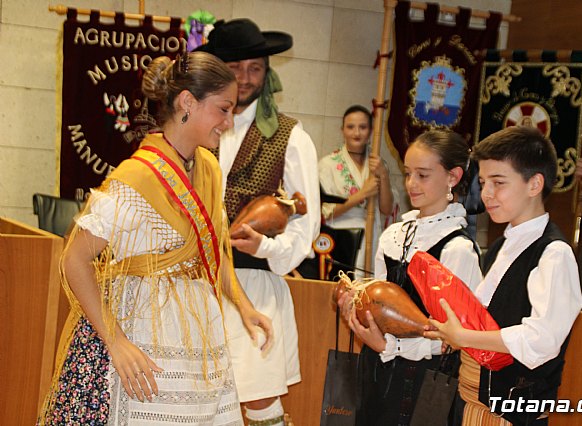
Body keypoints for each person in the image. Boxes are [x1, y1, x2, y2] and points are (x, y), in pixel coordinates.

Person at [37, 52, 274, 425]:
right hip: (142, 334)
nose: (229, 123)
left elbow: (213, 250)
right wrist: (115, 341)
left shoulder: (209, 169)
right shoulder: (137, 177)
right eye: (223, 109)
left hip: (199, 337)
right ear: (187, 103)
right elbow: (73, 259)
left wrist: (243, 306)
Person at [196, 19, 320, 425]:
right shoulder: (199, 127)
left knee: (259, 403)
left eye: (255, 68)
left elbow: (307, 224)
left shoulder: (291, 136)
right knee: (201, 399)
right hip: (199, 282)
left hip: (254, 282)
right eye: (234, 69)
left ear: (268, 73)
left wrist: (265, 248)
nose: (245, 79)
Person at [426, 126, 582, 425]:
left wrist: (464, 336)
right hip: (472, 398)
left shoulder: (554, 253)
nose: (486, 194)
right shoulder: (500, 246)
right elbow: (485, 314)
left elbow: (542, 339)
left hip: (513, 411)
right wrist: (453, 332)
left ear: (534, 184)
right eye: (483, 182)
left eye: (498, 183)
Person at [339, 130, 483, 425]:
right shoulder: (394, 234)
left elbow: (453, 339)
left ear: (453, 177)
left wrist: (391, 346)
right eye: (407, 173)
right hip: (377, 366)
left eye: (423, 174)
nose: (411, 184)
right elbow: (376, 300)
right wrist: (355, 306)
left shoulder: (458, 248)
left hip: (423, 380)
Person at [318, 105, 395, 275]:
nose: (356, 133)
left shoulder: (377, 164)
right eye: (351, 127)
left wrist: (384, 174)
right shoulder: (327, 165)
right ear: (342, 130)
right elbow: (324, 213)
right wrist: (362, 195)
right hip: (341, 239)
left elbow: (387, 209)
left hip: (371, 236)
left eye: (363, 127)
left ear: (371, 131)